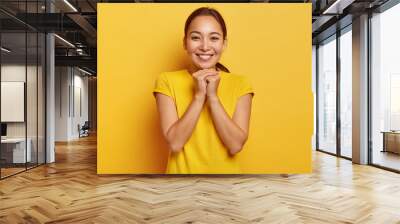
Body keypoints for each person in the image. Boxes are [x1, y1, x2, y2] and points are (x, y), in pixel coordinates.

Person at [153, 7, 254, 174]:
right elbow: (175, 143)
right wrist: (199, 96)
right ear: (185, 42)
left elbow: (235, 145)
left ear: (224, 44)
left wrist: (213, 97)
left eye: (214, 38)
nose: (205, 46)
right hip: (179, 186)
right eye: (195, 38)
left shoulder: (241, 83)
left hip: (226, 187)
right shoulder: (166, 81)